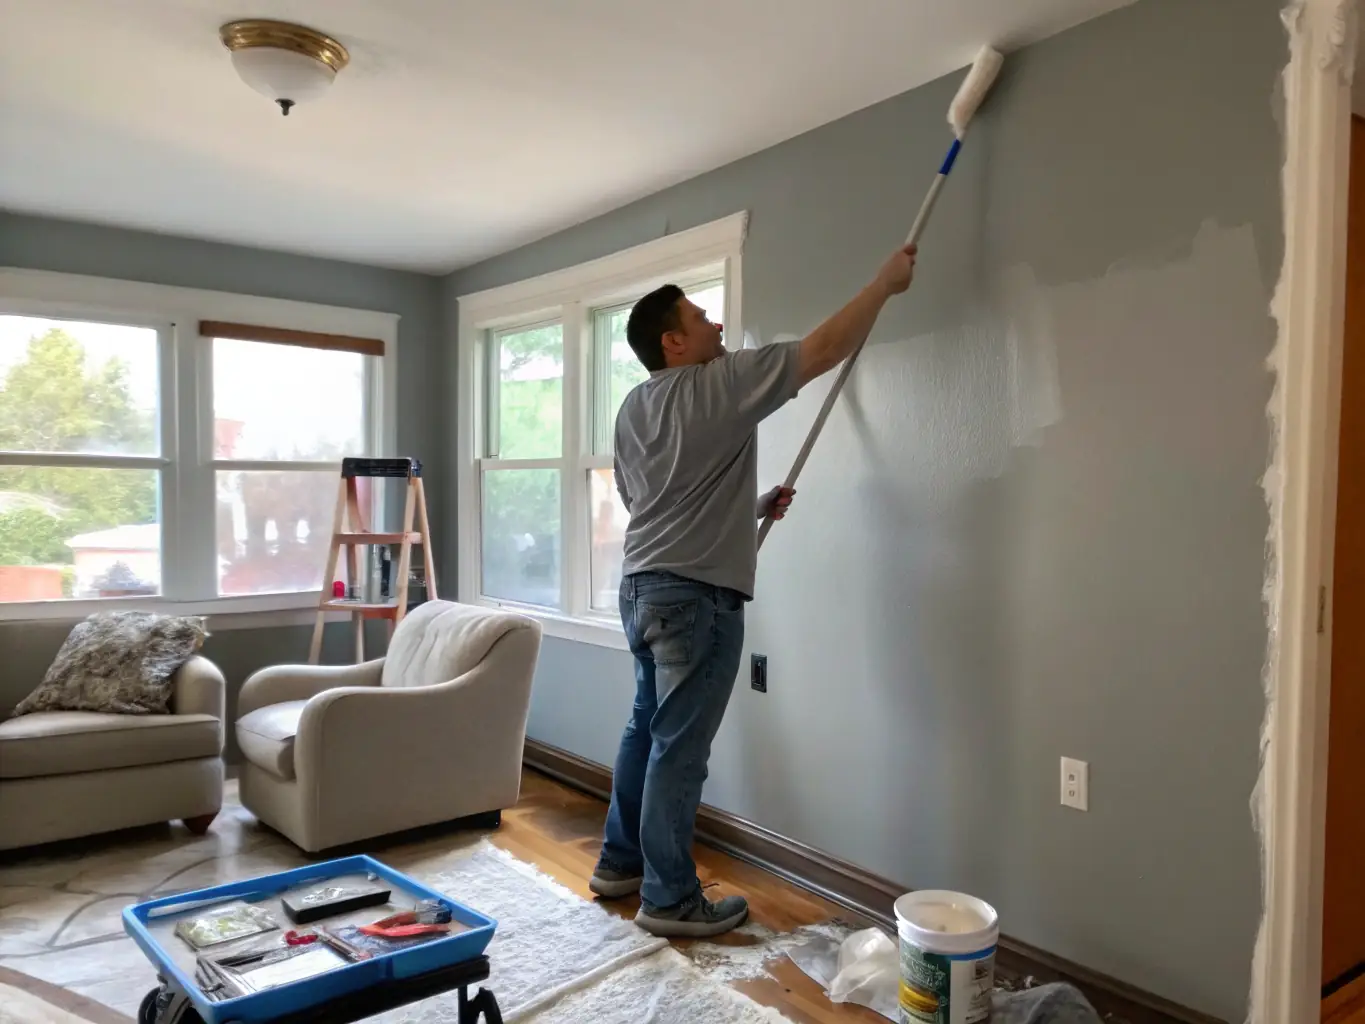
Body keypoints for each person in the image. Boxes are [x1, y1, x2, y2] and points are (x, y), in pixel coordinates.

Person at [590, 243, 919, 937]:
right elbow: (825, 347)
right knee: (678, 747)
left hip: (641, 586)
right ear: (672, 342)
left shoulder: (633, 408)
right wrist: (882, 283)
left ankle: (619, 864)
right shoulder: (716, 384)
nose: (716, 326)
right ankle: (669, 899)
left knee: (644, 729)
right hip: (694, 598)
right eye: (701, 318)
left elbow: (649, 499)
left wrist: (751, 507)